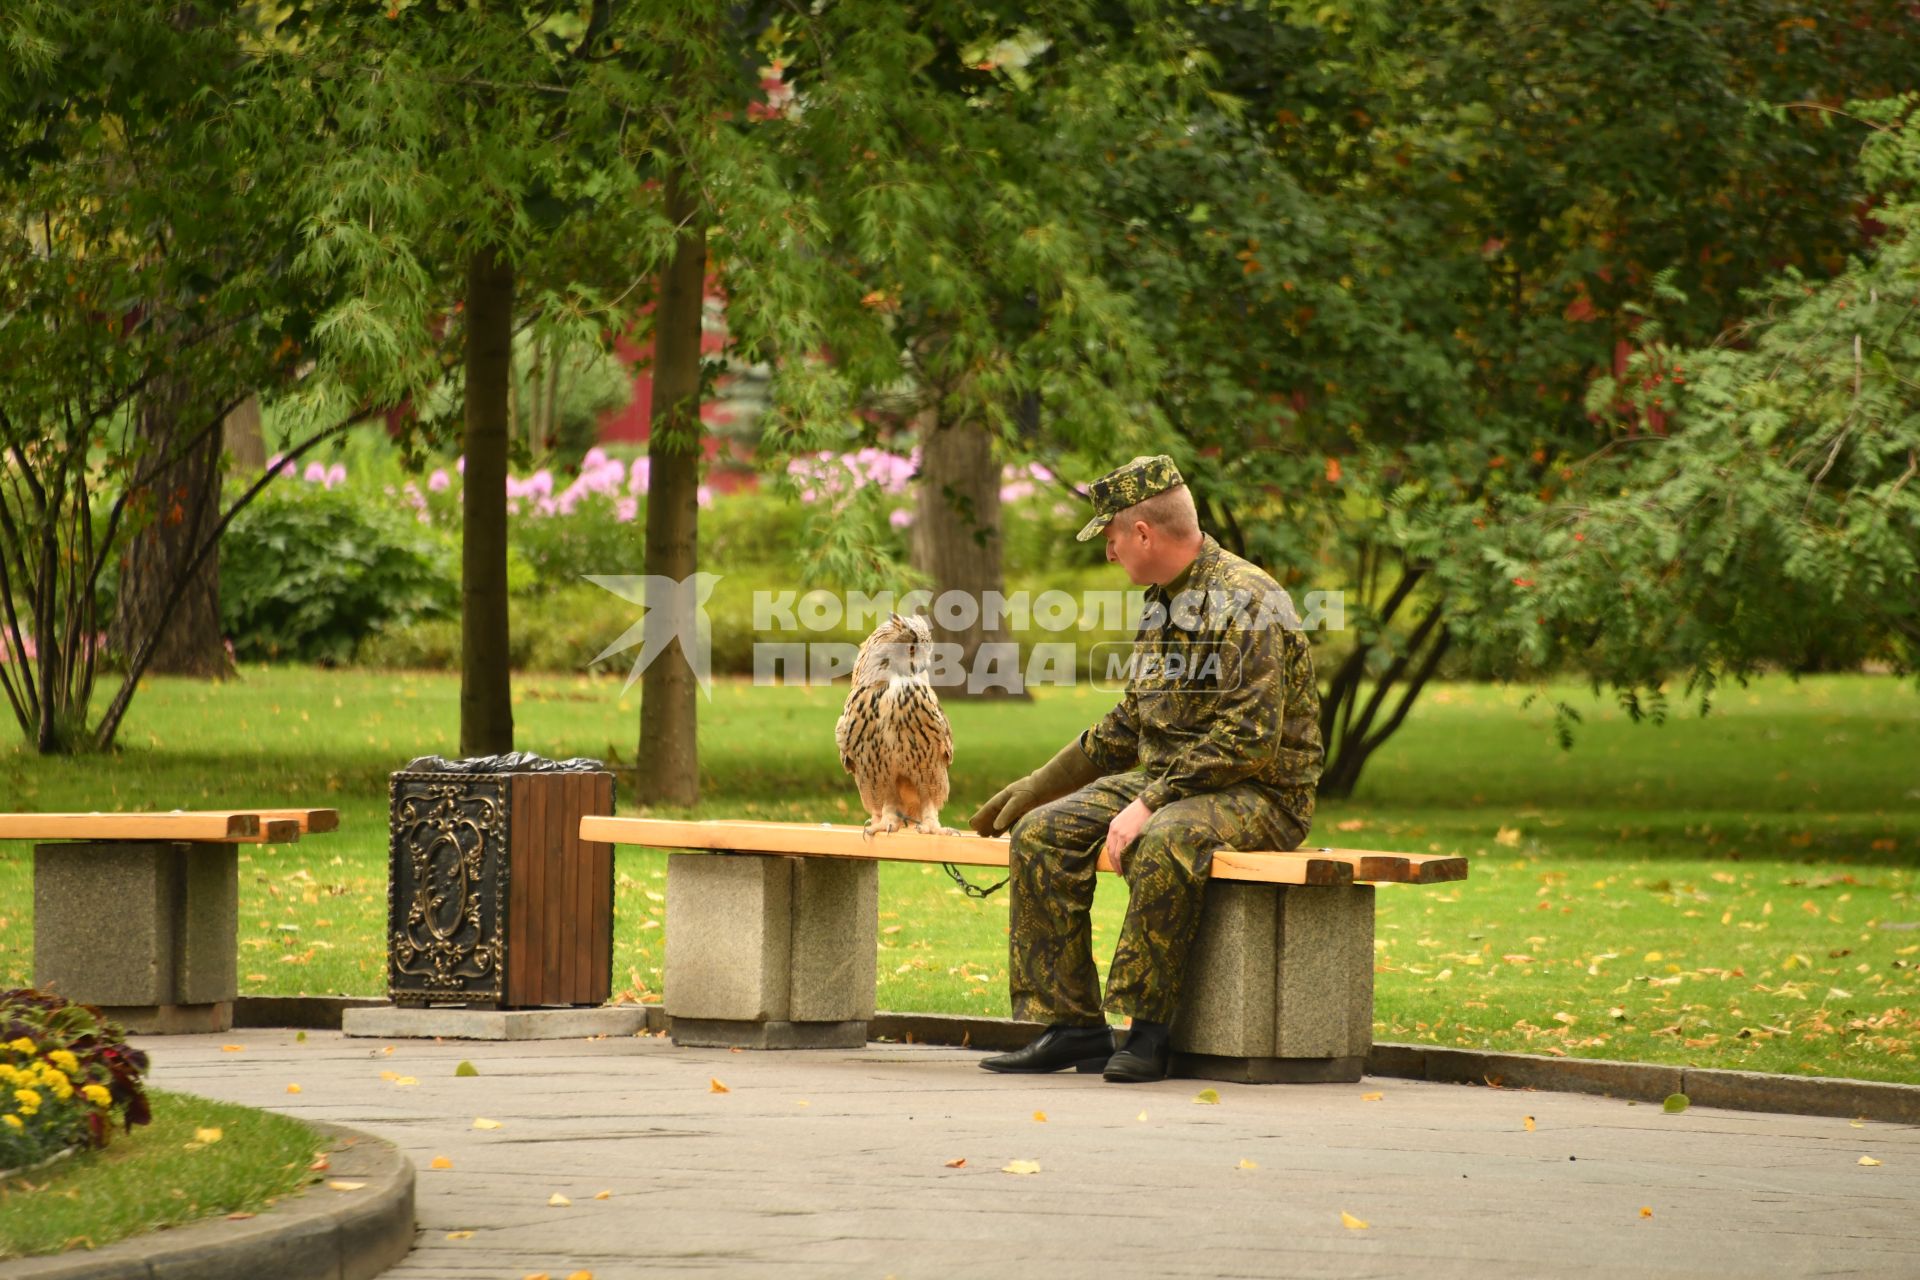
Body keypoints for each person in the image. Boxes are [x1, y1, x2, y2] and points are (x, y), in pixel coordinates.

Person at [969, 455, 1324, 1082]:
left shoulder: (1246, 601)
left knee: (1166, 840)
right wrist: (1036, 787)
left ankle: (1146, 1031)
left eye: (1110, 537)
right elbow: (1133, 722)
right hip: (1172, 783)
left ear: (1143, 534)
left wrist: (1150, 802)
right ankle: (1074, 1028)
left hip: (1261, 792)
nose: (1107, 552)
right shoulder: (1163, 601)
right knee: (1043, 833)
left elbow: (1247, 741)